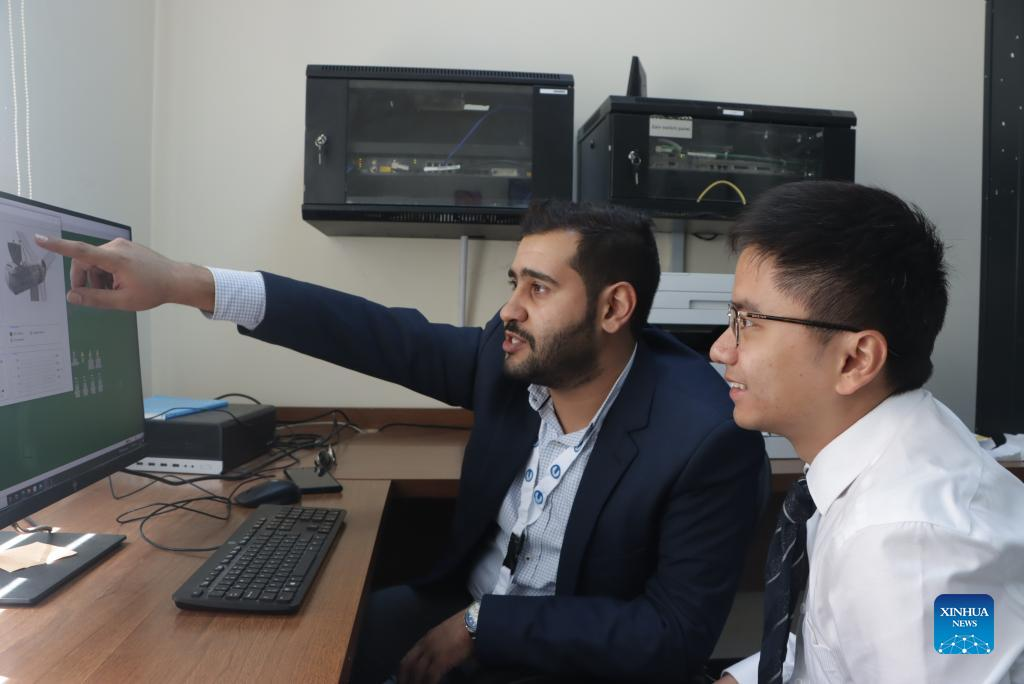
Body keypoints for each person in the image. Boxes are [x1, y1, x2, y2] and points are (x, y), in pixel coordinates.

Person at [36, 200, 768, 684]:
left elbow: (670, 633)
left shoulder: (706, 435)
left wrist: (486, 627)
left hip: (575, 659)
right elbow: (369, 332)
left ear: (614, 307)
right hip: (460, 605)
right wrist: (184, 283)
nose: (509, 310)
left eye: (538, 289)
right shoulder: (509, 358)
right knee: (294, 651)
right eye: (514, 282)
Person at [705, 181, 1024, 683]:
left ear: (855, 360)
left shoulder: (911, 544)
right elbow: (842, 639)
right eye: (732, 318)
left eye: (750, 321)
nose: (721, 349)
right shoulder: (869, 453)